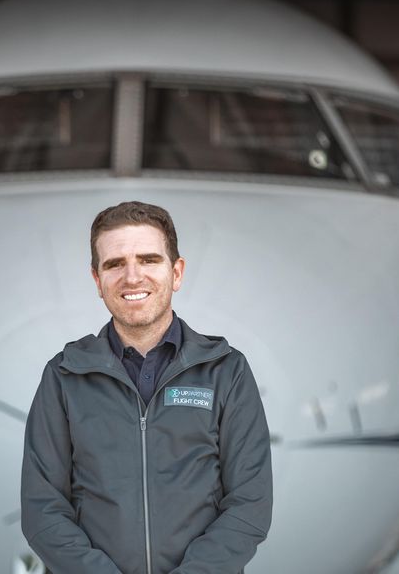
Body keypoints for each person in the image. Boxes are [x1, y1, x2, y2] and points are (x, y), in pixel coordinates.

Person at [21, 201, 273, 574]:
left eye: (149, 260)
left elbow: (249, 505)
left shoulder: (225, 371)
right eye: (115, 264)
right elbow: (43, 510)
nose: (132, 277)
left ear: (177, 272)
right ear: (97, 280)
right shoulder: (64, 376)